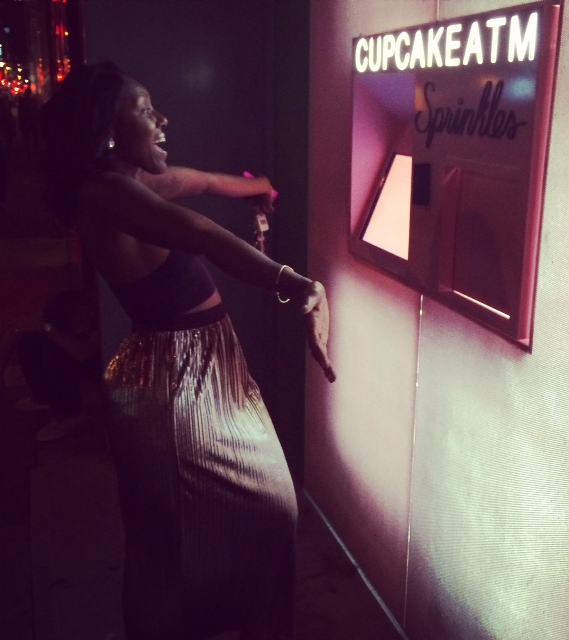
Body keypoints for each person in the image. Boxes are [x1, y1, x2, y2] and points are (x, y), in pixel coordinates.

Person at [40, 61, 335, 640]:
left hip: (205, 367)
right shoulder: (105, 193)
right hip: (174, 381)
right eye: (145, 110)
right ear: (107, 129)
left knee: (243, 521)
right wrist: (294, 284)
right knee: (189, 537)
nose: (162, 119)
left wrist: (259, 187)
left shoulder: (129, 184)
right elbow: (198, 231)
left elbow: (200, 181)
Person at [12, 288, 101, 442]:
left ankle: (70, 417)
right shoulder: (58, 316)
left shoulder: (100, 321)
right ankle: (41, 397)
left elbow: (84, 353)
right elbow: (16, 329)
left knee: (58, 354)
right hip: (80, 359)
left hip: (98, 369)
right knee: (30, 340)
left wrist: (46, 327)